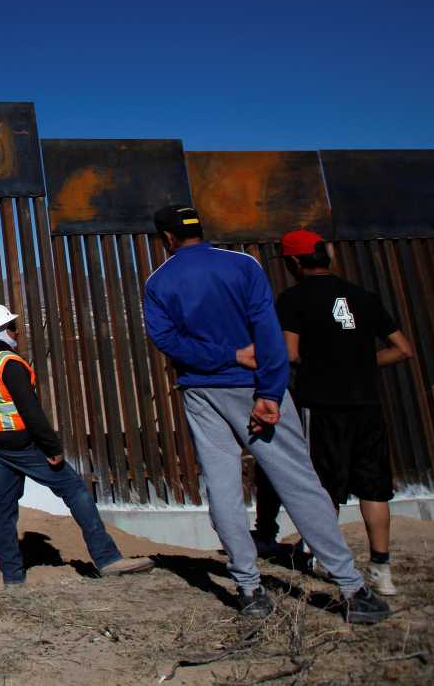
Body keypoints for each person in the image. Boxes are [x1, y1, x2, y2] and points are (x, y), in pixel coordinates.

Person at [141, 205, 390, 624]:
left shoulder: (159, 281)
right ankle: (352, 589)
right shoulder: (243, 266)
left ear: (166, 238)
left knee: (222, 489)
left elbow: (165, 339)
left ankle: (250, 589)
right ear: (200, 230)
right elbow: (268, 332)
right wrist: (271, 393)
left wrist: (223, 356)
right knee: (299, 482)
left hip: (202, 392)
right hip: (256, 387)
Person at [0, 302, 154, 587]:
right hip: (23, 446)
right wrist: (52, 448)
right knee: (75, 489)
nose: (17, 333)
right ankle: (108, 558)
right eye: (13, 327)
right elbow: (32, 412)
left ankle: (13, 577)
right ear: (1, 331)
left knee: (3, 509)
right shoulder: (9, 365)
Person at [269, 228, 414, 596]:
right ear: (326, 256)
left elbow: (289, 352)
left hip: (323, 403)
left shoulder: (293, 299)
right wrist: (363, 363)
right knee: (375, 487)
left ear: (294, 262)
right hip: (367, 402)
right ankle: (382, 569)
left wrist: (322, 362)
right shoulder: (363, 296)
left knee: (323, 485)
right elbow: (402, 349)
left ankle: (326, 559)